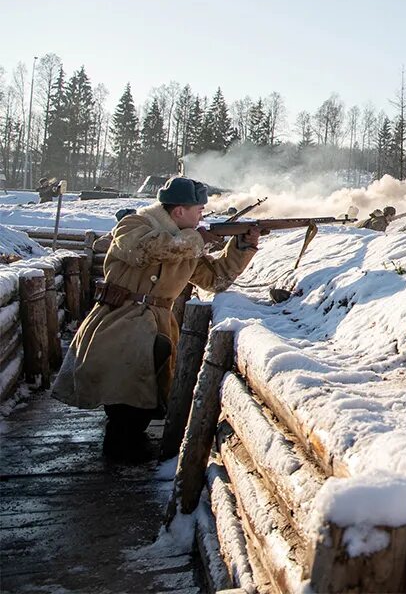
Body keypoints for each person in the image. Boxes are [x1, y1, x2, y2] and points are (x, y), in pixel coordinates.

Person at [51, 177, 260, 462]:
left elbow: (215, 278)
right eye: (198, 209)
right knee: (125, 392)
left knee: (145, 394)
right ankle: (121, 450)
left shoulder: (186, 240)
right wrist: (199, 238)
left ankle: (129, 445)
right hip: (120, 320)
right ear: (178, 212)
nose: (202, 214)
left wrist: (242, 247)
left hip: (157, 323)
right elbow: (146, 251)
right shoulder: (134, 225)